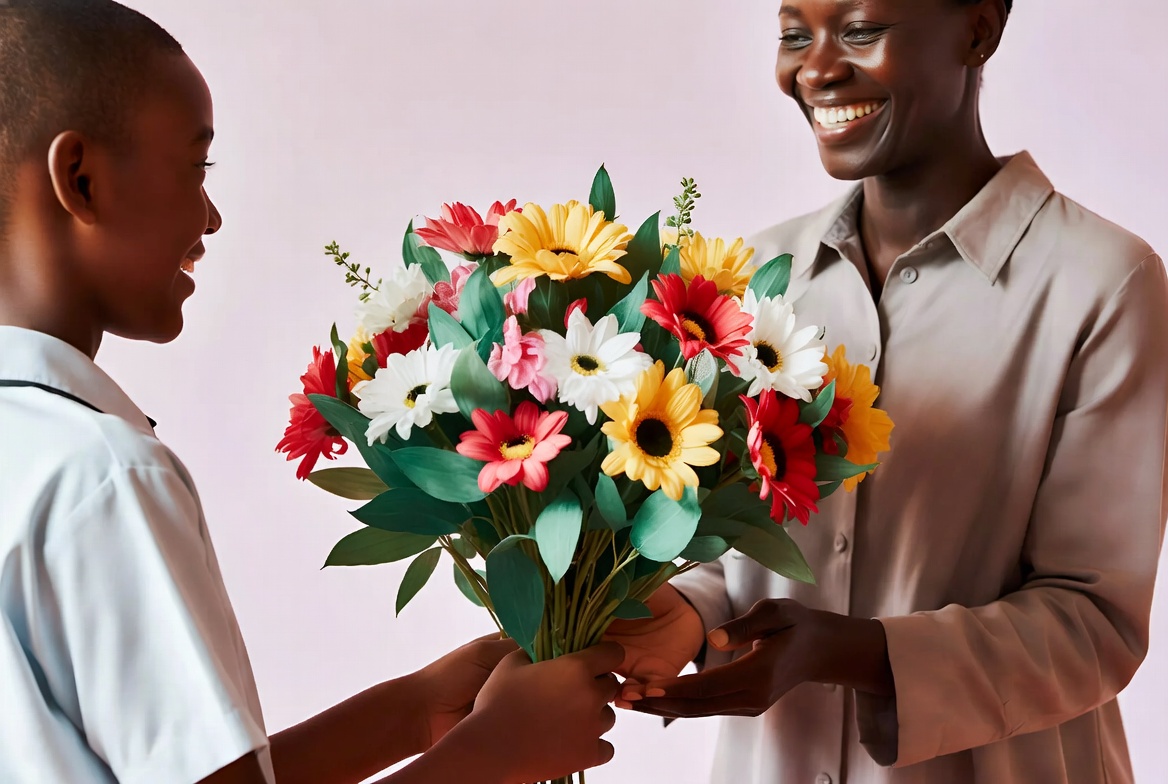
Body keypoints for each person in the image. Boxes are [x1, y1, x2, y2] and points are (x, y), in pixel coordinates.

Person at [0, 2, 622, 783]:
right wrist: (496, 751)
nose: (211, 217)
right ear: (81, 180)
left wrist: (409, 714)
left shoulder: (29, 449)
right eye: (197, 168)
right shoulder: (102, 475)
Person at [607, 1, 1168, 782]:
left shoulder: (1102, 283)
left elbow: (1094, 621)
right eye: (795, 35)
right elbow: (747, 540)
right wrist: (693, 614)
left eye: (861, 30)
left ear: (979, 29)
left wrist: (854, 653)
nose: (815, 69)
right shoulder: (756, 280)